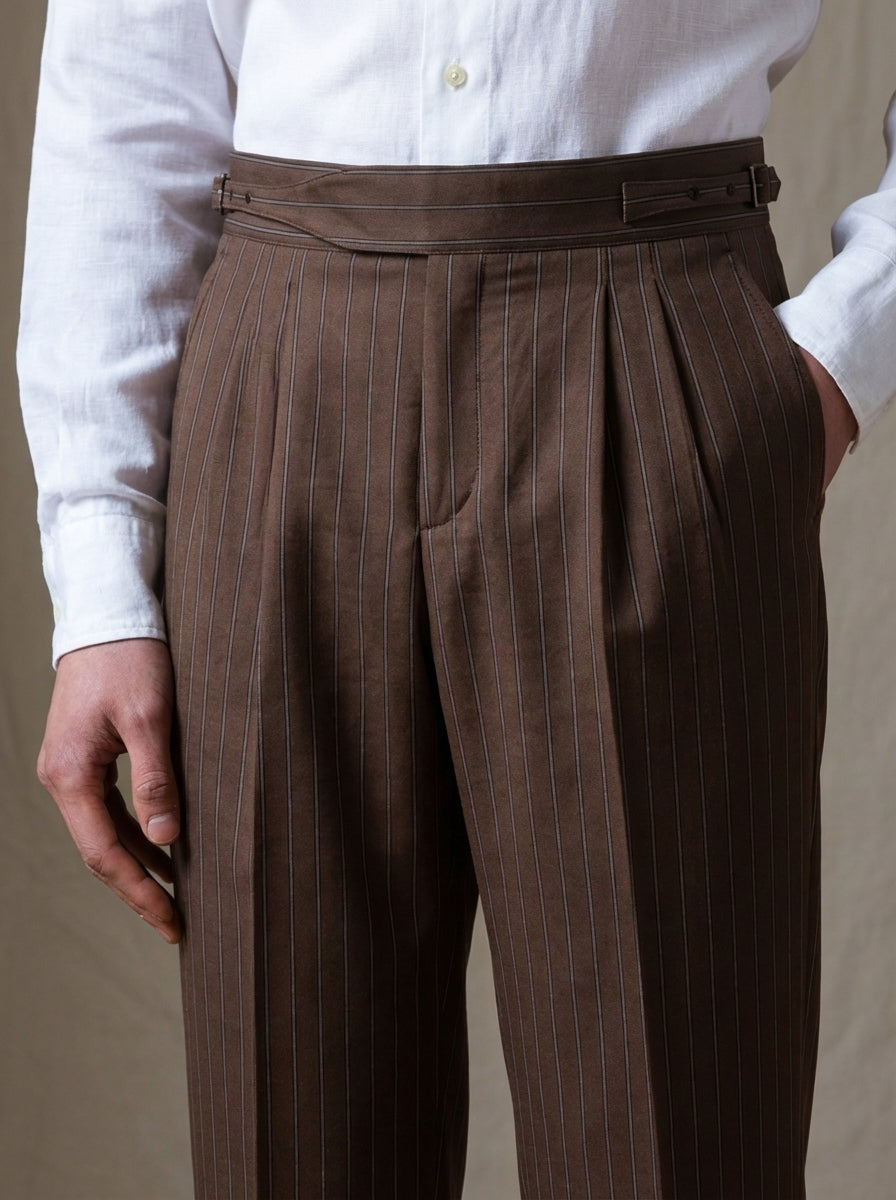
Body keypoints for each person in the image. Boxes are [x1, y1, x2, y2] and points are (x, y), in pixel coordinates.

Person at [16, 1, 893, 1197]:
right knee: (294, 1135)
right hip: (277, 373)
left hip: (645, 341)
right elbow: (124, 94)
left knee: (671, 1138)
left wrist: (838, 357)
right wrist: (102, 578)